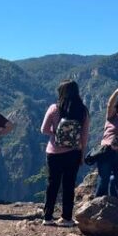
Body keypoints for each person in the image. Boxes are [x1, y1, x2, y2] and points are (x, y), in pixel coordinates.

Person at [41, 79, 91, 226]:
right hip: (73, 153)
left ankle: (47, 217)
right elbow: (84, 136)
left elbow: (43, 129)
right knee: (69, 185)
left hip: (54, 152)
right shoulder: (82, 111)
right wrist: (82, 154)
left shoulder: (54, 108)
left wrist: (56, 133)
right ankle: (66, 218)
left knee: (52, 184)